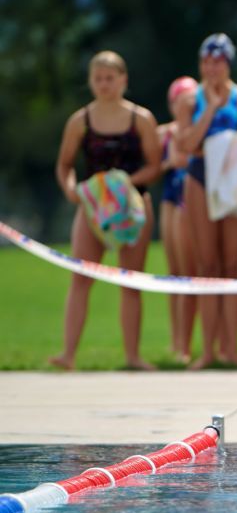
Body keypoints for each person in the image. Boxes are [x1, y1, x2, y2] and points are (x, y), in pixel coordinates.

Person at [49, 51, 163, 371]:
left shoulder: (141, 119)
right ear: (90, 82)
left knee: (130, 282)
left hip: (133, 208)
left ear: (123, 80)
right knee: (81, 277)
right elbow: (65, 164)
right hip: (93, 209)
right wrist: (70, 188)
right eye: (98, 79)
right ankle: (68, 355)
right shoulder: (79, 121)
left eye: (110, 78)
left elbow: (154, 165)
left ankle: (132, 356)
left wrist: (125, 183)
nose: (104, 84)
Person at [174, 33, 237, 369]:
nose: (212, 68)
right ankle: (208, 350)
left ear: (228, 63)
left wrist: (219, 143)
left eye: (218, 61)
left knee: (231, 267)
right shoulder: (189, 100)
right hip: (200, 177)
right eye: (206, 62)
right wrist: (209, 110)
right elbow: (185, 144)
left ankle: (231, 348)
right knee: (207, 267)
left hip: (233, 178)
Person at [159, 76, 198, 361]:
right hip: (170, 197)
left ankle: (186, 342)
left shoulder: (195, 131)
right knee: (173, 274)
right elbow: (159, 164)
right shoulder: (164, 133)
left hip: (189, 197)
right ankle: (176, 340)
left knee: (189, 273)